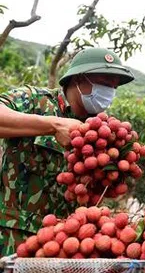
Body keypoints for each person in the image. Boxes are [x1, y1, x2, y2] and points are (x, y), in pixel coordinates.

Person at [0, 48, 134, 256]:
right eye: (105, 84)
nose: (109, 93)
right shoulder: (36, 101)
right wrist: (52, 125)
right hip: (14, 237)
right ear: (79, 79)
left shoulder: (103, 132)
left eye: (114, 87)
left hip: (68, 245)